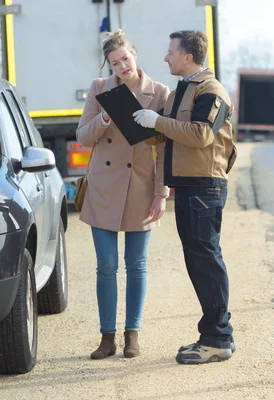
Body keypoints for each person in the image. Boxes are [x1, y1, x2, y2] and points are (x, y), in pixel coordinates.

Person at [133, 30, 237, 364]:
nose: (166, 58)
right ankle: (213, 335)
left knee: (206, 261)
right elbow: (169, 137)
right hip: (189, 187)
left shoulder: (211, 91)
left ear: (188, 56)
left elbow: (202, 135)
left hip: (205, 188)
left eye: (170, 52)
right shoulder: (183, 91)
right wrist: (139, 125)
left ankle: (218, 338)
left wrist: (159, 121)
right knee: (198, 261)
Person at [76, 29, 170, 359]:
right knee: (106, 265)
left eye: (125, 59)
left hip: (141, 188)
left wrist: (161, 193)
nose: (122, 67)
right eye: (115, 63)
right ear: (109, 66)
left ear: (134, 55)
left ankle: (133, 334)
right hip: (103, 188)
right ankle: (106, 337)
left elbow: (164, 150)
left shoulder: (159, 92)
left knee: (136, 265)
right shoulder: (99, 89)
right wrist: (103, 117)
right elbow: (83, 136)